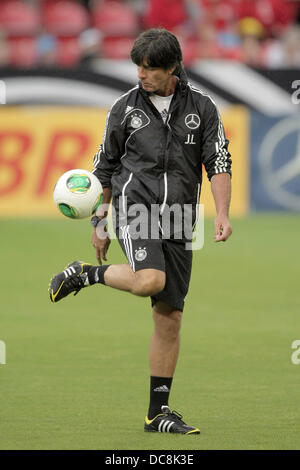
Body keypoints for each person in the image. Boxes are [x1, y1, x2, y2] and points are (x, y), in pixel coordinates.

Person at [49, 28, 232, 435]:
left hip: (182, 218)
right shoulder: (123, 109)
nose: (141, 75)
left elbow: (218, 161)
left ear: (173, 69)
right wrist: (100, 222)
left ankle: (157, 414)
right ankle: (88, 273)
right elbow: (104, 169)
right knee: (150, 280)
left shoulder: (202, 108)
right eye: (138, 67)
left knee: (170, 319)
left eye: (150, 68)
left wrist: (222, 213)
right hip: (137, 210)